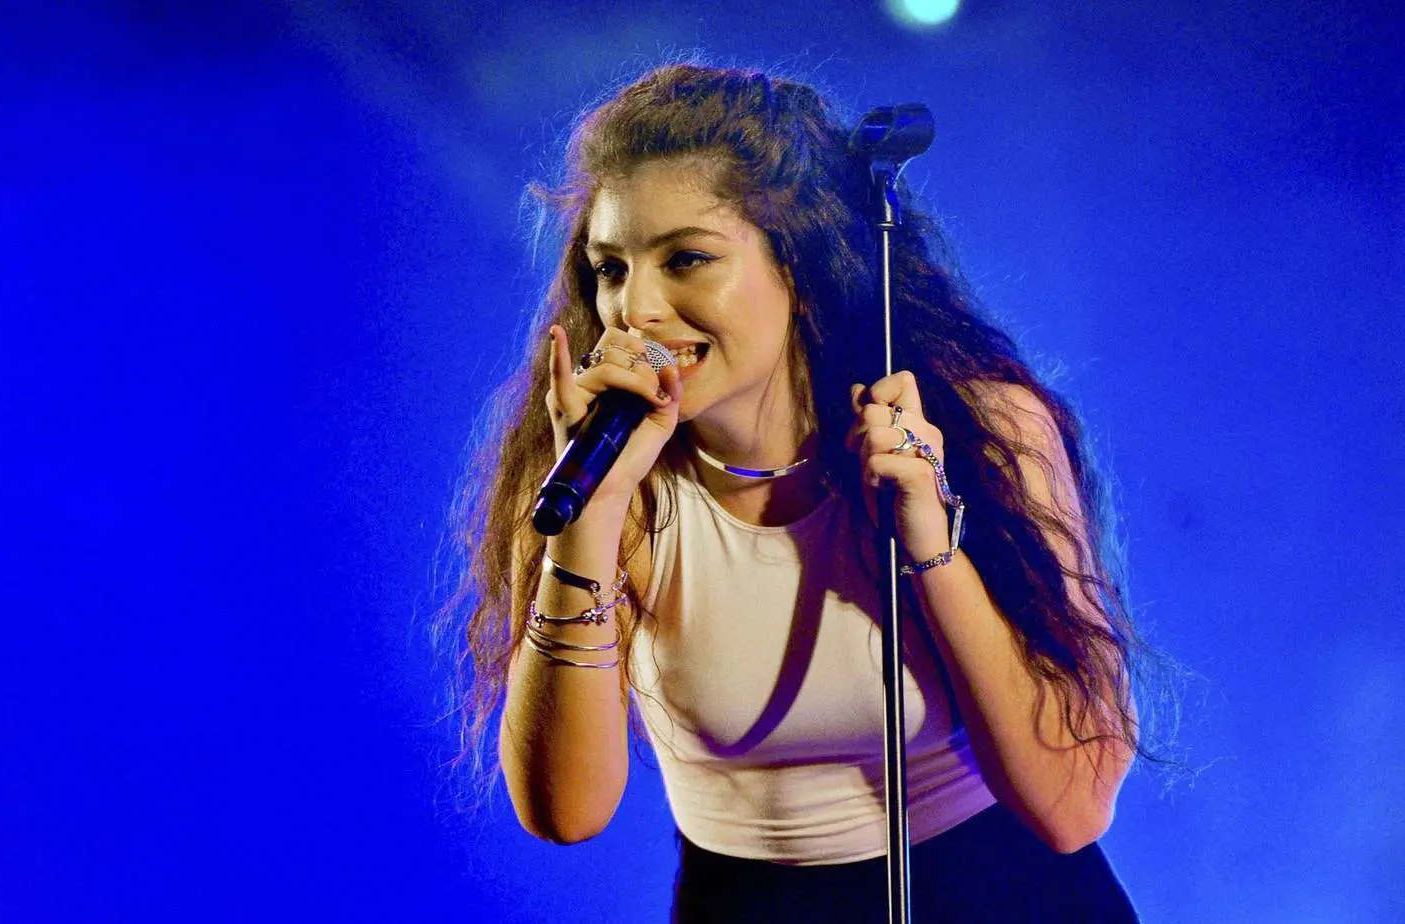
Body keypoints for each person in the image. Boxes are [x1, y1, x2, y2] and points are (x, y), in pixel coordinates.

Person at [447, 62, 1154, 922]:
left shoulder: (979, 425)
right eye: (611, 269)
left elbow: (1072, 808)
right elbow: (566, 813)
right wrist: (588, 525)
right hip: (748, 901)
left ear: (802, 264)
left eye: (687, 259)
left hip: (1008, 893)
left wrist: (931, 547)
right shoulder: (594, 472)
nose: (636, 311)